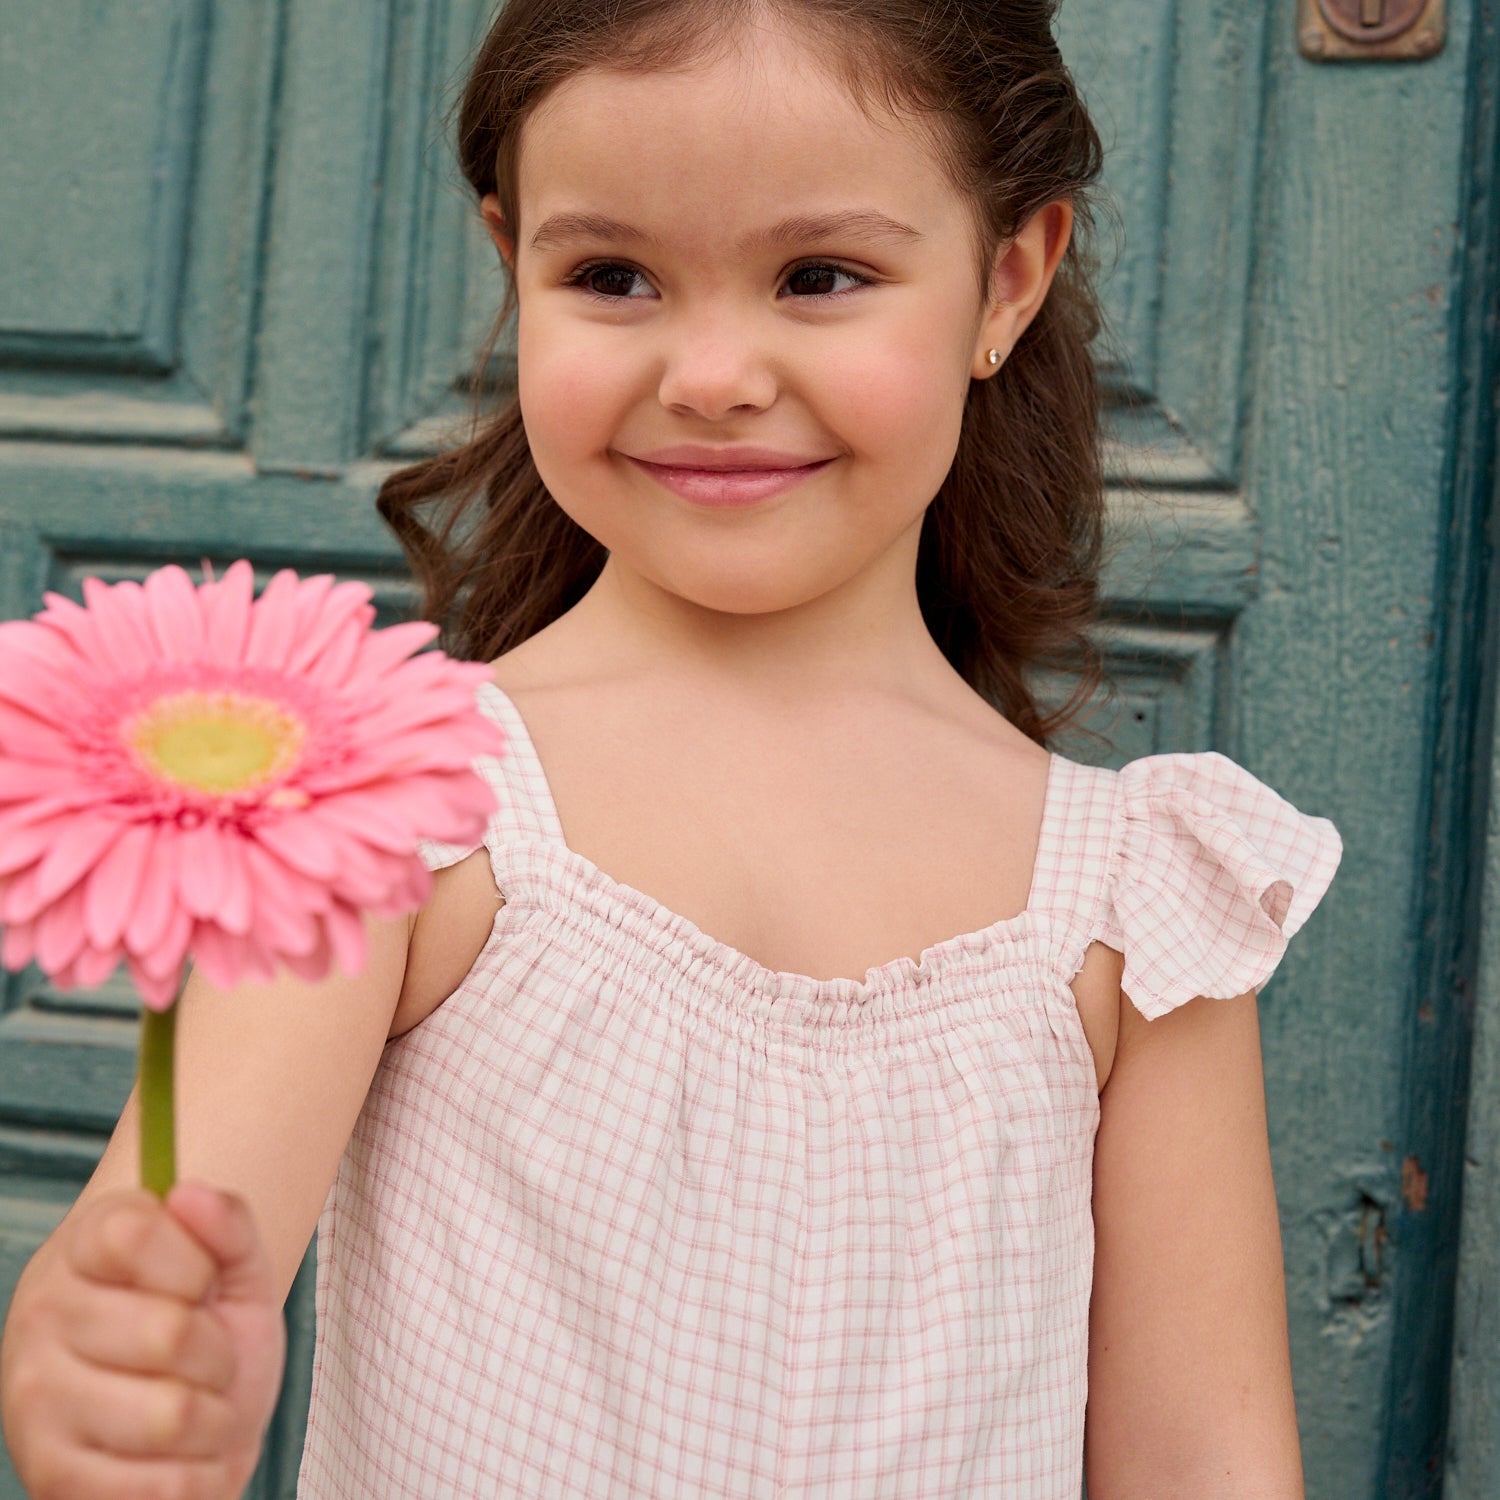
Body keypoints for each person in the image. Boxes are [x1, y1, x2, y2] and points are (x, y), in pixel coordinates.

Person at [0, 0, 1343, 1495]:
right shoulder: (398, 800)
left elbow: (1209, 1457)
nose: (710, 375)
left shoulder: (1139, 906)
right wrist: (107, 1371)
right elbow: (169, 1265)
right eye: (613, 275)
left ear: (1008, 280)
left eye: (820, 276)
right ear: (515, 267)